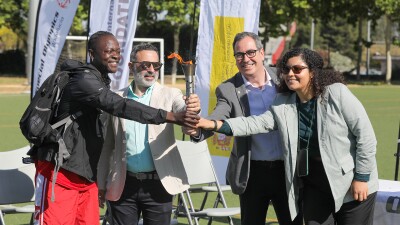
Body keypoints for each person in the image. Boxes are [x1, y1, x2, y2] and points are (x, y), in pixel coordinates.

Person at [196, 48, 379, 225]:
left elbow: (366, 137)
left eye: (297, 69)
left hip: (350, 183)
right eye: (286, 69)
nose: (290, 74)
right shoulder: (283, 102)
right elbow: (253, 123)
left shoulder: (336, 92)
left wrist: (361, 178)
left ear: (313, 72)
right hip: (315, 186)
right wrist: (211, 124)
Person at [32, 31, 198, 225]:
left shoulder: (103, 81)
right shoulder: (84, 80)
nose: (115, 55)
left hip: (85, 177)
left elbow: (102, 140)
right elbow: (119, 107)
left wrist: (191, 109)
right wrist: (170, 117)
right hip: (60, 173)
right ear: (92, 54)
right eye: (109, 50)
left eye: (118, 51)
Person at [184, 32, 302, 225]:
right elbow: (217, 117)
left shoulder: (284, 79)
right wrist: (197, 129)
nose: (245, 59)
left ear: (262, 53)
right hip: (252, 173)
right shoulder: (228, 89)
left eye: (250, 52)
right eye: (239, 55)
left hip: (287, 170)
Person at [97, 43, 200, 225]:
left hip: (159, 184)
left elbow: (183, 110)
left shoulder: (171, 94)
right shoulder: (115, 98)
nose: (151, 70)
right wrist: (101, 183)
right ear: (131, 66)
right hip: (123, 184)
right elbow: (107, 146)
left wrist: (192, 107)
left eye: (156, 66)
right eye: (145, 65)